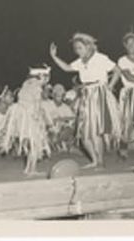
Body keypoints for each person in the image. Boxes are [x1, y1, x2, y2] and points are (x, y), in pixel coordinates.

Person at [50, 33, 121, 169]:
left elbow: (117, 70)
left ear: (88, 47)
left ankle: (100, 162)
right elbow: (66, 68)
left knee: (95, 131)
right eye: (76, 49)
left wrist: (110, 86)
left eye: (80, 48)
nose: (78, 51)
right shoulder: (80, 62)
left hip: (98, 94)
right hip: (86, 95)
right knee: (84, 135)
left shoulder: (100, 58)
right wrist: (54, 56)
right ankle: (95, 160)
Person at [0, 65, 52, 175]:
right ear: (41, 76)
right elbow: (37, 104)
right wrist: (38, 118)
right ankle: (32, 170)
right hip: (29, 116)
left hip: (20, 115)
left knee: (29, 142)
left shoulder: (26, 83)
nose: (47, 80)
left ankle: (28, 169)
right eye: (46, 77)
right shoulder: (37, 87)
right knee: (35, 142)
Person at [43, 84, 76, 152]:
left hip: (61, 130)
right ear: (53, 96)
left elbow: (72, 119)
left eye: (61, 96)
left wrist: (61, 120)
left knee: (69, 129)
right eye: (57, 96)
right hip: (48, 130)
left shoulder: (66, 108)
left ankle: (61, 143)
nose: (59, 98)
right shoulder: (47, 104)